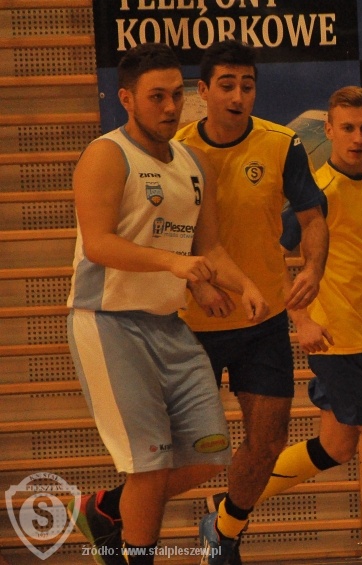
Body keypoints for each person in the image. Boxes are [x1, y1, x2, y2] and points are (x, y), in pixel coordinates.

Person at [198, 85, 362, 565]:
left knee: (336, 445)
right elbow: (274, 259)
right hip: (337, 340)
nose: (357, 138)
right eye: (347, 128)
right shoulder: (318, 191)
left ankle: (226, 513)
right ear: (329, 130)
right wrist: (301, 319)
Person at [65, 42, 269, 565]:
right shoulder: (106, 154)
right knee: (150, 467)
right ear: (126, 99)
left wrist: (242, 284)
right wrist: (174, 265)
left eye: (177, 95)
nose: (171, 107)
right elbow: (98, 244)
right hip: (108, 323)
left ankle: (105, 510)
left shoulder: (193, 162)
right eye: (157, 96)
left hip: (167, 326)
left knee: (209, 454)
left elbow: (209, 249)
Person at [171, 40, 330, 565]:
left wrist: (312, 268)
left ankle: (225, 532)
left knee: (267, 442)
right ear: (203, 91)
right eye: (227, 85)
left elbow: (312, 217)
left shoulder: (282, 144)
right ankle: (118, 517)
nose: (238, 96)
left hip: (261, 320)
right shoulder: (175, 148)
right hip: (188, 322)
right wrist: (197, 283)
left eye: (247, 85)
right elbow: (161, 234)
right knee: (186, 452)